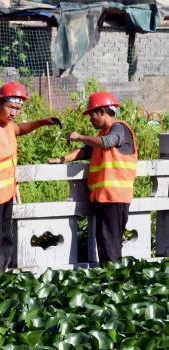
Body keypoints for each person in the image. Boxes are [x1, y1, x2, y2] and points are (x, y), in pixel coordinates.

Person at [0, 82, 62, 276]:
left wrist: (42, 122)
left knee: (3, 237)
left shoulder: (9, 127)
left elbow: (21, 129)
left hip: (6, 193)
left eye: (17, 109)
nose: (13, 113)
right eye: (10, 107)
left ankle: (1, 274)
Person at [49, 92, 136, 265]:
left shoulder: (119, 129)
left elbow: (108, 142)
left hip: (115, 198)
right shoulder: (102, 135)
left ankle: (114, 283)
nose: (90, 119)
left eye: (91, 114)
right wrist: (62, 160)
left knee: (110, 248)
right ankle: (111, 281)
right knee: (104, 246)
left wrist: (80, 136)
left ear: (102, 111)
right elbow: (85, 151)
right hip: (103, 198)